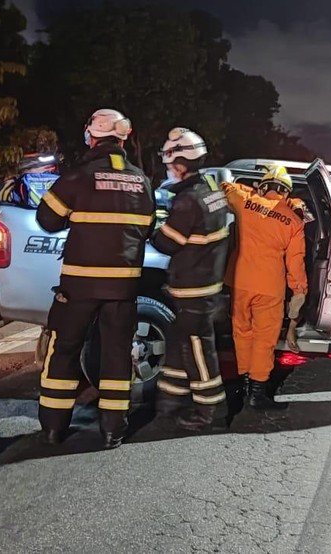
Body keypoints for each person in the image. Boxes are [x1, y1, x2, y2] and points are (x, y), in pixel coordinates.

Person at [35, 108, 154, 450]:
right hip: (123, 289)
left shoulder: (77, 178)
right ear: (122, 138)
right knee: (117, 354)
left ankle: (54, 427)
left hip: (78, 287)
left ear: (92, 136)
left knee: (64, 350)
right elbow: (147, 229)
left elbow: (47, 221)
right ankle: (112, 431)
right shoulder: (142, 181)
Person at [150, 128, 230, 431]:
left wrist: (154, 226)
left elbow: (165, 243)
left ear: (180, 162)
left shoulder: (188, 202)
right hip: (207, 284)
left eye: (170, 163)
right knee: (179, 342)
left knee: (197, 349)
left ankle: (210, 411)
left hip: (193, 288)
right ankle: (170, 402)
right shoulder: (211, 190)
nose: (169, 169)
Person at [222, 165, 307, 410]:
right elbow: (296, 262)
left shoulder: (246, 202)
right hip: (270, 286)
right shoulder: (293, 221)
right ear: (287, 193)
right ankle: (257, 392)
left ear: (263, 186)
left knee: (242, 333)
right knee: (264, 340)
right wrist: (299, 291)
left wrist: (251, 192)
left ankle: (244, 382)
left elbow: (225, 187)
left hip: (239, 282)